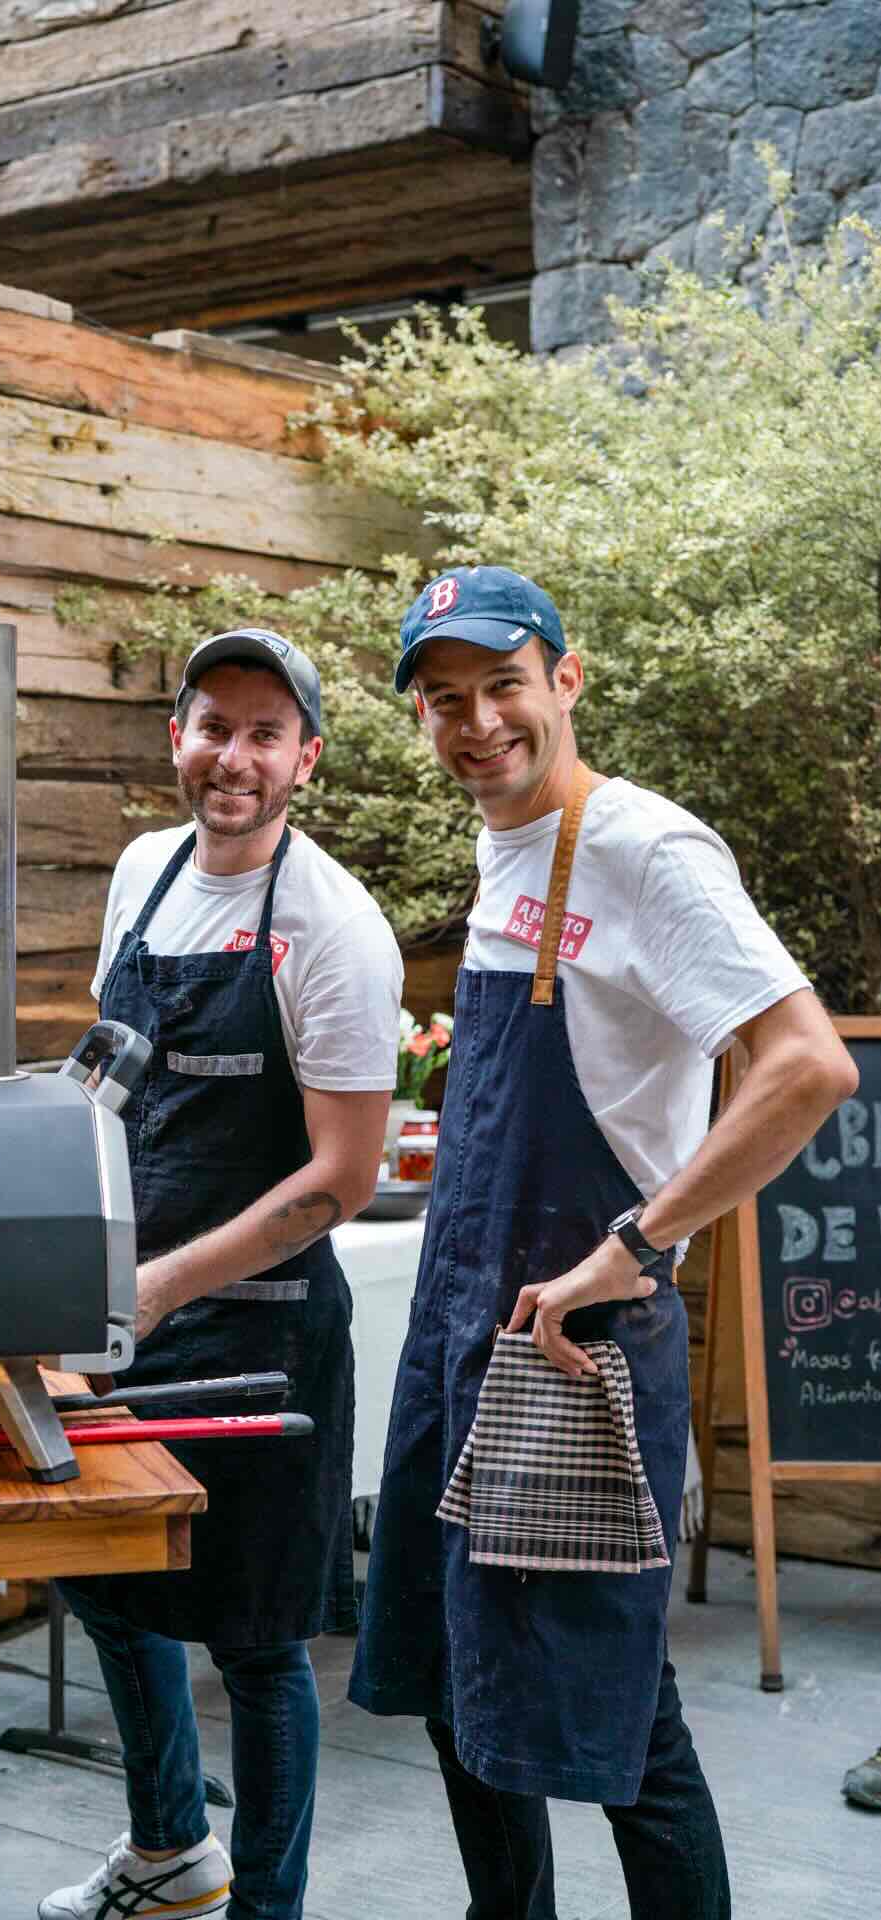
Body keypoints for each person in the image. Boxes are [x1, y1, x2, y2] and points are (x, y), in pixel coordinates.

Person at [350, 566, 859, 1920]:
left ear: (563, 681)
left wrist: (639, 1243)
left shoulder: (642, 848)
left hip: (576, 1352)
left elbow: (804, 1066)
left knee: (620, 1718)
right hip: (467, 1327)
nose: (476, 722)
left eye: (502, 684)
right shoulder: (505, 847)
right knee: (462, 1681)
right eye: (443, 699)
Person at [40, 629, 403, 1920]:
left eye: (263, 733)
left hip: (258, 1329)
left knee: (255, 1642)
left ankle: (271, 1906)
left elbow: (339, 1181)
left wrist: (160, 1285)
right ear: (175, 738)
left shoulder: (332, 926)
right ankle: (169, 1850)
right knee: (107, 1588)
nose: (231, 756)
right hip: (119, 1315)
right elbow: (114, 1090)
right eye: (211, 725)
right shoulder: (142, 874)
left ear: (305, 757)